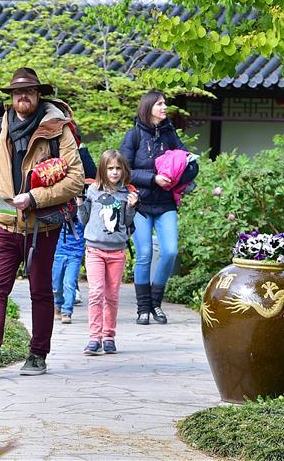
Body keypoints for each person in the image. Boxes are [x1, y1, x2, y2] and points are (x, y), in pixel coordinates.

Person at [0, 68, 84, 378]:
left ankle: (38, 354)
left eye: (29, 91)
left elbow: (76, 180)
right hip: (1, 224)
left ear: (38, 94)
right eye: (18, 92)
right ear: (11, 97)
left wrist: (35, 198)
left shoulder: (58, 129)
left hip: (41, 225)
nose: (23, 97)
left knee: (41, 291)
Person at [119, 90, 186, 325]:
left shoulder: (170, 134)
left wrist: (185, 175)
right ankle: (143, 308)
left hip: (166, 203)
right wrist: (153, 178)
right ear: (148, 108)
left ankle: (156, 303)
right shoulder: (134, 136)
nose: (165, 107)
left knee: (170, 252)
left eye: (165, 103)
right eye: (159, 104)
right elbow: (123, 171)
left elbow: (185, 159)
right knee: (145, 254)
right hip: (140, 204)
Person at [79, 150, 138, 354]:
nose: (114, 172)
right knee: (96, 293)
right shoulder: (93, 190)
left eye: (118, 168)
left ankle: (109, 336)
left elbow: (127, 223)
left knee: (112, 295)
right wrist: (79, 203)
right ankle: (94, 337)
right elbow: (84, 219)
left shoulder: (127, 193)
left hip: (117, 251)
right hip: (94, 249)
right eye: (110, 168)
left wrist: (132, 207)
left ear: (123, 170)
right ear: (103, 170)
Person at [52, 218, 85, 324]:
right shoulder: (59, 213)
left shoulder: (82, 212)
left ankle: (67, 311)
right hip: (59, 253)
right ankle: (58, 304)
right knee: (56, 285)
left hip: (75, 254)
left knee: (69, 283)